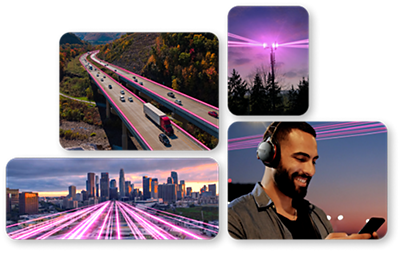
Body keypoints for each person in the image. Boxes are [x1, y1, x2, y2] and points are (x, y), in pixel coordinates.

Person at [227, 121, 379, 240]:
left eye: (313, 161)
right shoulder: (234, 219)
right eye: (301, 159)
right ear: (270, 156)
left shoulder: (318, 216)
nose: (311, 171)